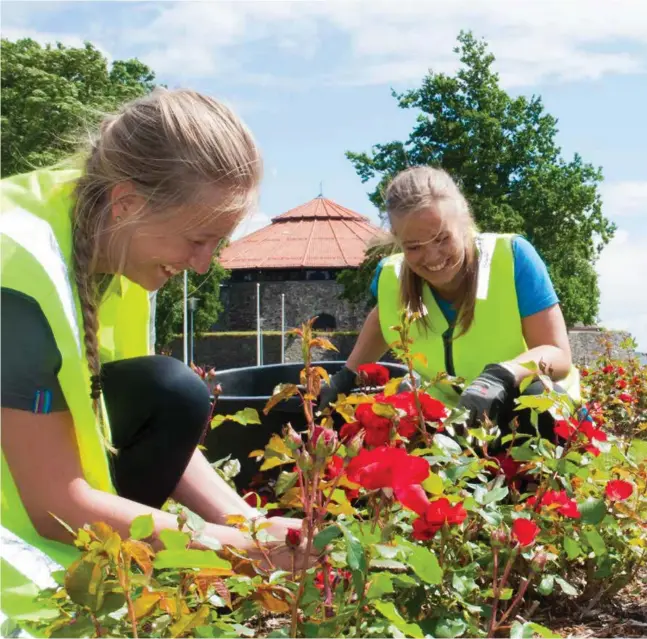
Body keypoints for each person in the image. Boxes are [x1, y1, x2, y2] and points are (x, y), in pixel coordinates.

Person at [0, 88, 314, 601]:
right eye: (196, 240)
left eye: (218, 242)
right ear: (126, 203)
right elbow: (56, 504)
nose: (202, 264)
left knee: (172, 392)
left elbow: (146, 418)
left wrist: (251, 526)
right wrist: (230, 551)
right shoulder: (14, 269)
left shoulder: (116, 245)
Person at [320, 166, 580, 444]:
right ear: (396, 238)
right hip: (455, 419)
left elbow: (558, 355)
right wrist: (346, 377)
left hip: (530, 412)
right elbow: (382, 320)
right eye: (413, 246)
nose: (432, 256)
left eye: (442, 238)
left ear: (465, 222)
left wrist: (504, 374)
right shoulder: (391, 277)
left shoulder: (513, 258)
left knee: (535, 397)